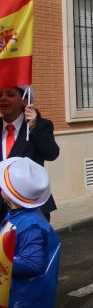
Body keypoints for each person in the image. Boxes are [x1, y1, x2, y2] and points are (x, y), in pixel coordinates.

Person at [0, 157, 61, 307]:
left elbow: (33, 264)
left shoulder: (30, 226)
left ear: (11, 193)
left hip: (22, 299)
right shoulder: (18, 214)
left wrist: (4, 262)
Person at [0, 87, 59, 222]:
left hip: (30, 209)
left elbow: (52, 154)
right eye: (0, 95)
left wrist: (34, 127)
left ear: (24, 101)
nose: (3, 98)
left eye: (10, 94)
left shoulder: (41, 126)